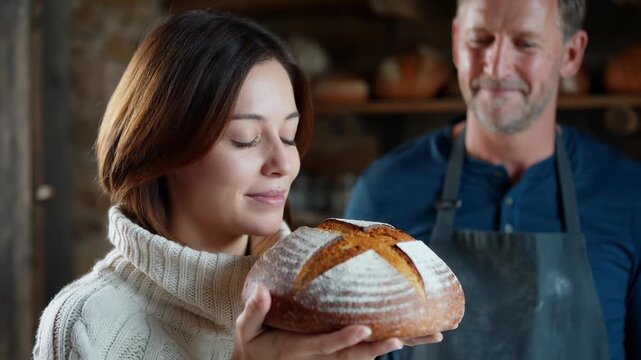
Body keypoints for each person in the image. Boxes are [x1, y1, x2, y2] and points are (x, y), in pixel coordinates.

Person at [32, 11, 415, 359]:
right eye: (245, 138)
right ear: (164, 146)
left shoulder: (330, 306)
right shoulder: (87, 325)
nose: (284, 164)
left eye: (289, 134)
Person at [346, 0, 641, 359]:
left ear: (571, 54)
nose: (496, 66)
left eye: (525, 43)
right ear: (456, 42)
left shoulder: (627, 195)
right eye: (480, 39)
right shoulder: (382, 193)